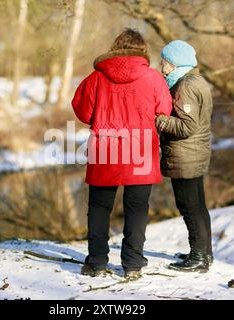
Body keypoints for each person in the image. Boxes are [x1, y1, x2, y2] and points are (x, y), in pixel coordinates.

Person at [72, 28, 172, 280]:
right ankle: (133, 263)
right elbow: (164, 110)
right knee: (137, 207)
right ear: (142, 51)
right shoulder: (153, 78)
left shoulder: (96, 78)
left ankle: (96, 262)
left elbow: (83, 112)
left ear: (115, 47)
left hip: (105, 148)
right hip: (140, 150)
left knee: (99, 206)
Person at [155, 40, 214, 273]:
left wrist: (159, 119)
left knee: (189, 206)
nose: (162, 68)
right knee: (198, 205)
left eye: (165, 63)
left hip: (185, 155)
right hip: (195, 153)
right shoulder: (197, 81)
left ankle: (198, 256)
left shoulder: (185, 85)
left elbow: (186, 126)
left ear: (176, 63)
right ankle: (204, 252)